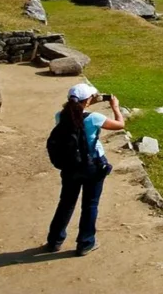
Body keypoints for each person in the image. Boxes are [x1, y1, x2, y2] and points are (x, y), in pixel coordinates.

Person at [46, 84, 124, 255]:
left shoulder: (60, 116)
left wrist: (86, 102)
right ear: (88, 101)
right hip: (93, 166)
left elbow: (75, 113)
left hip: (70, 167)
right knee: (90, 205)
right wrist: (115, 107)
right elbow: (120, 124)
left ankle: (54, 241)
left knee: (66, 203)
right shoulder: (95, 118)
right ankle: (85, 243)